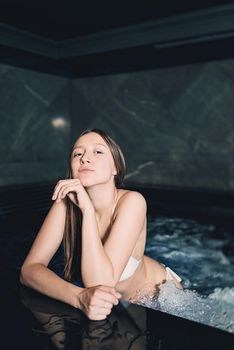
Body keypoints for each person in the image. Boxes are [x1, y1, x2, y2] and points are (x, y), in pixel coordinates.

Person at [20, 129, 182, 321]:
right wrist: (78, 297)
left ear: (115, 168)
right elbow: (29, 270)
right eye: (78, 153)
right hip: (117, 304)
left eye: (98, 152)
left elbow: (100, 283)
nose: (85, 158)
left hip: (160, 299)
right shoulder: (65, 202)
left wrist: (87, 211)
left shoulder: (132, 201)